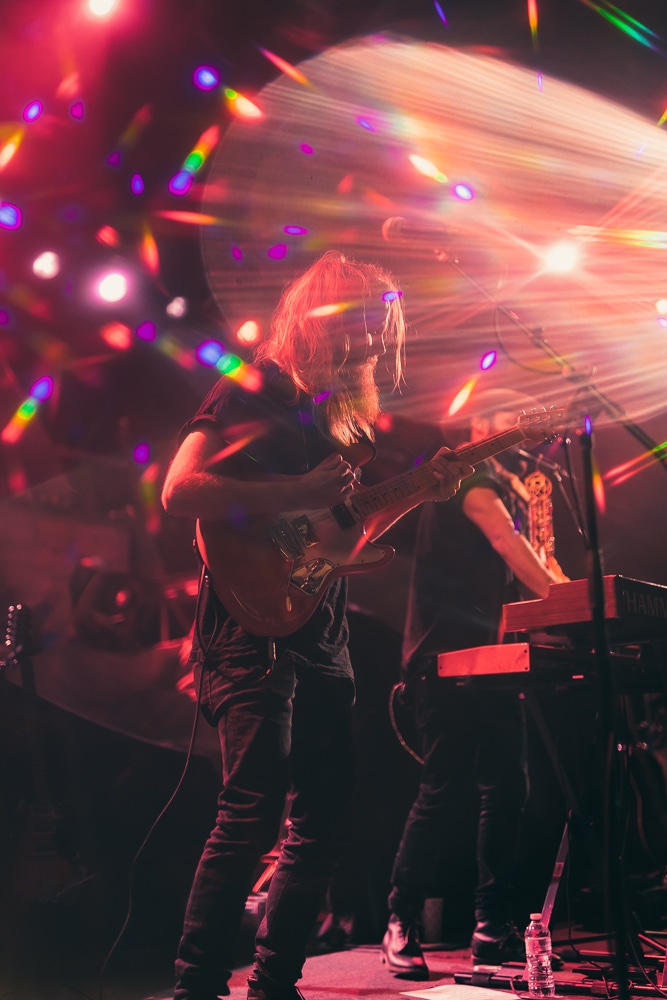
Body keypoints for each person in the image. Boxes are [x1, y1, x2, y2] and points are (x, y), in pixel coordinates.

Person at [160, 249, 473, 1000]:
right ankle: (195, 987)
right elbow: (180, 491)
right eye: (363, 328)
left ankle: (275, 983)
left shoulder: (342, 419)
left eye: (380, 333)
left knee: (325, 816)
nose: (372, 345)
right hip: (244, 627)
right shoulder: (253, 388)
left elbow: (340, 539)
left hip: (319, 626)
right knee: (250, 810)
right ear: (323, 320)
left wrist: (419, 491)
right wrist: (293, 487)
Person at [381, 388, 569, 979]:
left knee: (507, 790)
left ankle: (492, 927)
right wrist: (566, 603)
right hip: (443, 659)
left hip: (491, 659)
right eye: (511, 410)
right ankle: (399, 920)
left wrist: (569, 595)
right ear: (483, 423)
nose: (521, 420)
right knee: (445, 790)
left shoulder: (501, 484)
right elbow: (506, 540)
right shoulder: (468, 476)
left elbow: (528, 556)